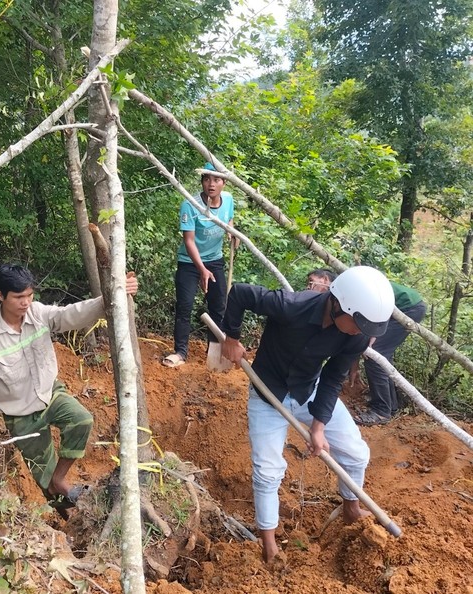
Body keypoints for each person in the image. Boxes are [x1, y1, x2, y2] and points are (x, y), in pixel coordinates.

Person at [221, 266, 395, 562]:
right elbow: (239, 293)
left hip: (308, 390)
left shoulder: (355, 336)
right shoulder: (292, 306)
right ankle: (269, 544)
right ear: (339, 304)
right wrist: (231, 338)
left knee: (356, 453)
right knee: (267, 472)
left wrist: (319, 425)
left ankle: (351, 509)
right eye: (357, 324)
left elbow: (332, 377)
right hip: (268, 393)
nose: (360, 332)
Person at [0, 264, 138, 518]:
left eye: (29, 295)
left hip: (50, 394)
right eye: (18, 297)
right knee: (43, 476)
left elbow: (70, 315)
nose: (26, 302)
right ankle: (67, 517)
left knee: (81, 420)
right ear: (0, 296)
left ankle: (61, 480)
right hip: (20, 413)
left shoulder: (38, 313)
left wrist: (110, 297)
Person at [163, 162, 237, 368]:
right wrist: (201, 270)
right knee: (185, 305)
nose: (211, 184)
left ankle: (214, 352)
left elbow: (228, 219)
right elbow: (189, 241)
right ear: (202, 182)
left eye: (216, 179)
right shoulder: (190, 205)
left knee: (219, 306)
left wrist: (232, 232)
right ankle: (180, 352)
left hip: (215, 260)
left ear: (223, 182)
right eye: (206, 179)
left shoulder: (229, 199)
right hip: (189, 262)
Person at [352, 282, 426, 426]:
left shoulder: (352, 289)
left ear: (325, 279)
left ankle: (381, 411)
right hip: (407, 306)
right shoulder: (353, 286)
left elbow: (379, 304)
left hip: (407, 308)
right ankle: (391, 405)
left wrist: (374, 334)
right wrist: (354, 367)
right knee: (382, 356)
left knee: (374, 355)